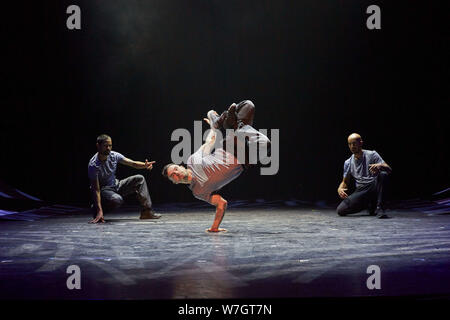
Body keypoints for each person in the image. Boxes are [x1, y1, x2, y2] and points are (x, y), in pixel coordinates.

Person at [162, 100, 270, 232]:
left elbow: (210, 142)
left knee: (248, 105)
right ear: (175, 182)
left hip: (230, 146)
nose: (176, 173)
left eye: (175, 169)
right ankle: (231, 123)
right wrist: (214, 228)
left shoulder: (192, 160)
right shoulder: (199, 192)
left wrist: (213, 129)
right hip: (244, 162)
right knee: (265, 144)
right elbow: (221, 203)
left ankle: (221, 122)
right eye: (173, 176)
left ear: (180, 166)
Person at [88, 134, 160, 223]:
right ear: (98, 146)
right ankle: (97, 212)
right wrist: (99, 210)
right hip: (104, 191)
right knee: (117, 200)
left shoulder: (114, 155)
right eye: (105, 146)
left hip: (116, 185)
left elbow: (132, 163)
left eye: (110, 145)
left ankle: (147, 212)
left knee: (139, 179)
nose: (108, 148)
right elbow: (96, 190)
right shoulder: (93, 165)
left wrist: (144, 165)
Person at [336, 133, 392, 219]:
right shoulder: (348, 162)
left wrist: (380, 166)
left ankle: (381, 208)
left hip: (373, 185)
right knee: (341, 210)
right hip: (361, 190)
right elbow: (345, 182)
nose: (352, 146)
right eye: (350, 144)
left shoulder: (372, 154)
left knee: (383, 174)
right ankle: (368, 205)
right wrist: (340, 188)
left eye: (354, 143)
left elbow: (389, 169)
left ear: (361, 143)